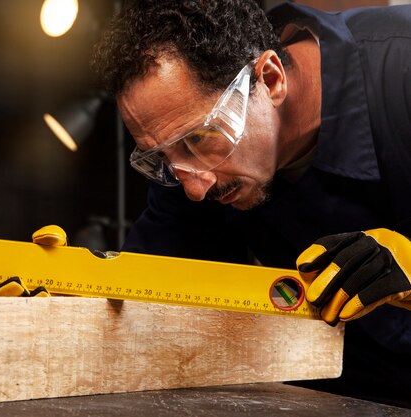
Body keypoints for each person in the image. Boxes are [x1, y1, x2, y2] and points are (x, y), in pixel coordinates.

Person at [90, 0, 411, 408]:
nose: (194, 189)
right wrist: (48, 296)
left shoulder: (402, 68)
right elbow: (135, 287)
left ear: (271, 78)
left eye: (201, 139)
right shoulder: (188, 158)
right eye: (162, 158)